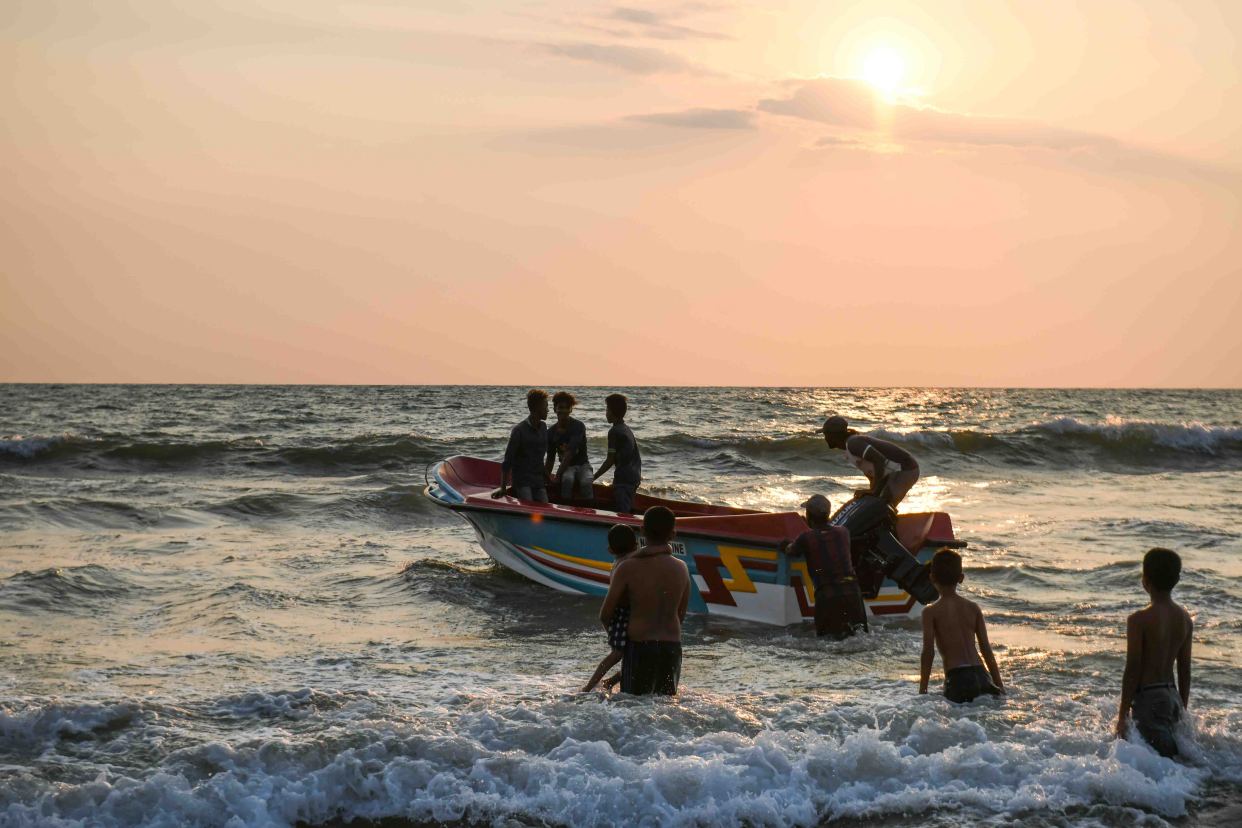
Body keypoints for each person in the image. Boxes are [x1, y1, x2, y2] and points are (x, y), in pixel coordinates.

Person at [599, 506, 689, 695]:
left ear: (642, 530)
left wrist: (617, 640)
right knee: (665, 711)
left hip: (640, 647)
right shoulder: (682, 568)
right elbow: (680, 615)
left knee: (632, 712)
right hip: (671, 648)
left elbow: (605, 614)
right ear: (673, 533)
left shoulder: (627, 567)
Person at [1115, 547, 1193, 758]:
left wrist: (1122, 716)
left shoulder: (1138, 620)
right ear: (1176, 580)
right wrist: (1182, 709)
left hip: (1150, 699)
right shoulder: (1185, 619)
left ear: (1145, 580)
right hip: (1173, 697)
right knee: (1172, 759)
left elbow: (1133, 668)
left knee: (1156, 763)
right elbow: (1185, 670)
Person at [919, 549, 1005, 702]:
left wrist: (923, 691)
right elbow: (986, 650)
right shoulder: (973, 607)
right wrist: (999, 685)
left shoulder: (930, 612)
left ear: (931, 578)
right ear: (961, 578)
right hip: (982, 676)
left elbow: (928, 653)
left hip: (957, 679)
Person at [780, 494, 868, 639]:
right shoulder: (843, 532)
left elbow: (790, 549)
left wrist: (784, 544)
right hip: (853, 594)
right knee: (858, 638)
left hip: (828, 597)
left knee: (827, 642)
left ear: (809, 516)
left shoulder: (806, 538)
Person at [582, 524, 639, 692]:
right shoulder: (629, 562)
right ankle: (589, 686)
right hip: (622, 615)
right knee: (618, 654)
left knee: (627, 654)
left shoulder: (620, 562)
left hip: (621, 614)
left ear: (610, 550)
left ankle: (610, 682)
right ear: (636, 545)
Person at [821, 415, 920, 508]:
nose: (825, 438)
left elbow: (879, 460)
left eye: (826, 434)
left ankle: (888, 524)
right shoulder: (848, 449)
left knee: (883, 504)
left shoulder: (853, 443)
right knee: (876, 501)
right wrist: (872, 490)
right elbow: (872, 471)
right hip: (893, 471)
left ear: (834, 435)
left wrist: (873, 490)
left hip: (906, 468)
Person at [494, 389, 550, 503]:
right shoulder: (519, 430)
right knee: (528, 505)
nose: (548, 410)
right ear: (537, 408)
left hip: (538, 480)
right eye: (546, 406)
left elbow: (540, 456)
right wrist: (503, 488)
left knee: (545, 505)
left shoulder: (544, 427)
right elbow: (507, 461)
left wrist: (548, 476)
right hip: (522, 480)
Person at [593, 393, 642, 513]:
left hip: (623, 479)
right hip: (635, 475)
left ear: (612, 411)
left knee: (623, 512)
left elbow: (610, 460)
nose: (606, 413)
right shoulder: (626, 428)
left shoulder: (614, 432)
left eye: (607, 409)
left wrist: (594, 477)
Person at [546, 391, 593, 503]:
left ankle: (589, 509)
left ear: (571, 409)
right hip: (566, 467)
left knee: (586, 482)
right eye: (560, 407)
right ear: (554, 409)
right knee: (567, 479)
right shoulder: (551, 432)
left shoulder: (578, 426)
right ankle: (565, 507)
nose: (564, 411)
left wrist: (557, 476)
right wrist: (547, 477)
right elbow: (550, 458)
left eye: (567, 407)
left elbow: (570, 454)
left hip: (583, 465)